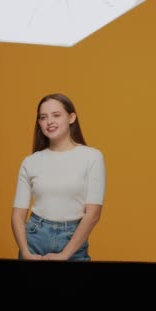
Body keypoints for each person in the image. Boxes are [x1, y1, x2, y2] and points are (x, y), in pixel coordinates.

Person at [10, 93, 106, 261]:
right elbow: (18, 215)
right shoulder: (30, 161)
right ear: (39, 122)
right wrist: (25, 252)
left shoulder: (92, 157)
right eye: (43, 117)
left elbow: (93, 214)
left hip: (73, 240)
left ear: (71, 117)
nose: (49, 122)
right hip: (34, 238)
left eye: (56, 115)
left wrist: (65, 255)